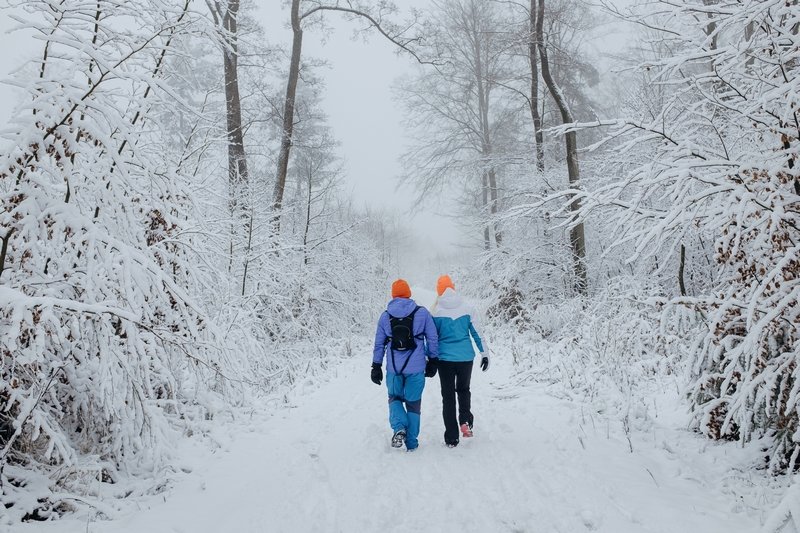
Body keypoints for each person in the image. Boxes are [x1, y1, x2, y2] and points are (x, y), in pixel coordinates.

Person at [371, 279, 439, 451]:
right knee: (413, 403)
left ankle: (399, 427)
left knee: (394, 398)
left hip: (394, 368)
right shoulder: (422, 313)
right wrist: (433, 360)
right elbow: (432, 338)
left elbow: (379, 344)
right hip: (416, 368)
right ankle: (412, 443)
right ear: (409, 293)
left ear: (393, 295)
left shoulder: (385, 316)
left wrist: (376, 365)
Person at [431, 274, 489, 448]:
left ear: (439, 290)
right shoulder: (467, 307)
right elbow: (477, 333)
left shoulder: (435, 311)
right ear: (453, 288)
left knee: (447, 396)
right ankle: (465, 421)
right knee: (463, 390)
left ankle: (451, 437)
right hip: (465, 358)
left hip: (444, 359)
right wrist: (484, 353)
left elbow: (431, 338)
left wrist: (429, 358)